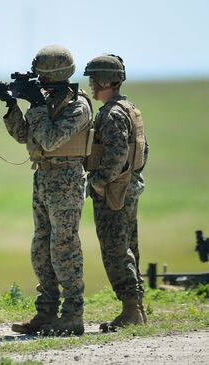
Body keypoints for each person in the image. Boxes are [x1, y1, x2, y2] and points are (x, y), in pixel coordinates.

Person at [0, 45, 93, 335]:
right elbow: (25, 136)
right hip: (44, 179)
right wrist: (11, 106)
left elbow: (50, 139)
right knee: (41, 248)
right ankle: (46, 313)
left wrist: (35, 105)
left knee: (64, 247)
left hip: (67, 181)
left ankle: (73, 315)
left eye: (40, 76)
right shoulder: (47, 101)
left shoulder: (77, 106)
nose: (38, 81)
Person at [83, 54, 148, 332]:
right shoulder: (130, 108)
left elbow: (118, 153)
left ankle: (131, 310)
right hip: (130, 186)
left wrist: (97, 180)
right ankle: (136, 308)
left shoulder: (111, 114)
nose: (91, 86)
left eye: (94, 80)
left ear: (105, 81)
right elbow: (142, 151)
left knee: (115, 251)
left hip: (114, 191)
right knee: (129, 247)